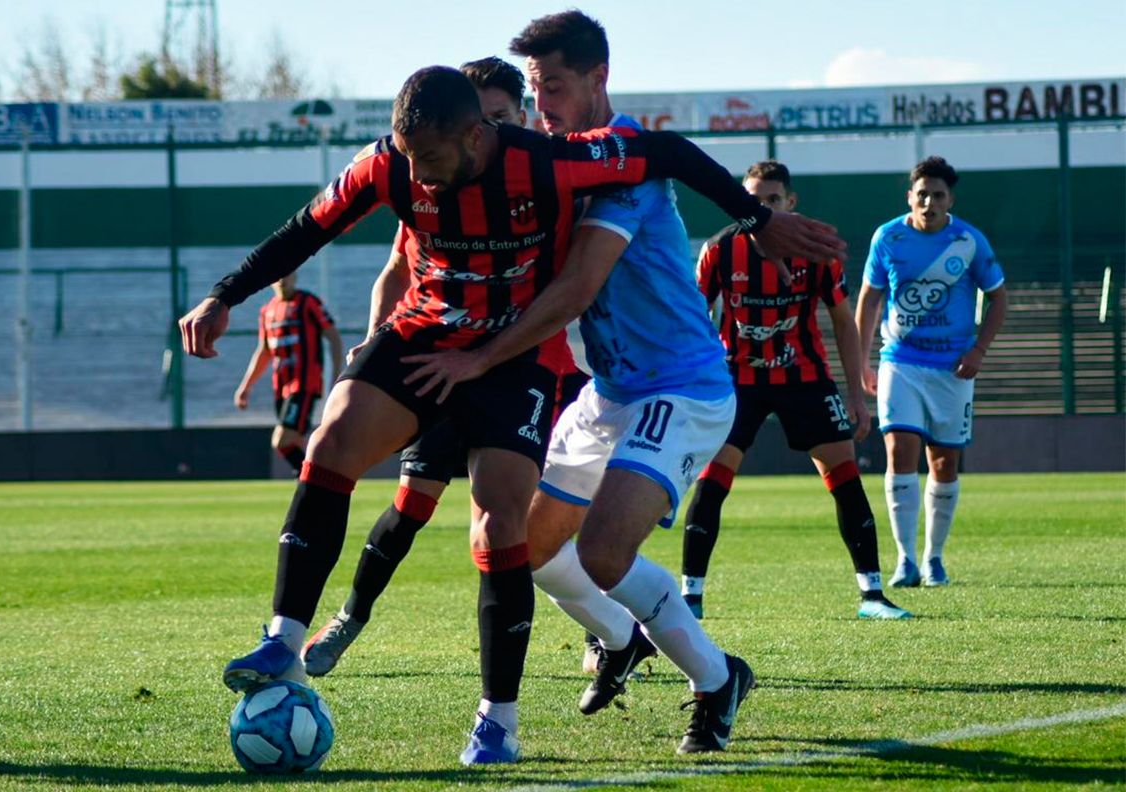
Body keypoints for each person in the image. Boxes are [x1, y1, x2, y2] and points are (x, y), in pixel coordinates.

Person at [179, 64, 842, 767]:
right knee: (333, 439)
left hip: (511, 357)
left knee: (502, 524)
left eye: (432, 158)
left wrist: (759, 221)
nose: (421, 176)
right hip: (429, 334)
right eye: (409, 158)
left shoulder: (547, 163)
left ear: (476, 135)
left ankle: (498, 723)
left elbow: (668, 153)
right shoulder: (389, 166)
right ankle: (284, 639)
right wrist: (226, 296)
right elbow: (304, 231)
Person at [403, 11, 843, 758]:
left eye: (556, 88)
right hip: (610, 392)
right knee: (522, 546)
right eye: (535, 93)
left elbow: (576, 289)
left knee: (604, 549)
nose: (545, 109)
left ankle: (715, 679)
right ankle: (616, 637)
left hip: (685, 387)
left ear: (599, 78)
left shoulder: (624, 171)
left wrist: (477, 362)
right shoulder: (554, 160)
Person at [302, 56, 590, 676]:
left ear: (518, 120)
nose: (489, 128)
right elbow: (399, 269)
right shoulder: (432, 185)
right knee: (412, 502)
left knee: (527, 524)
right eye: (481, 115)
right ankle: (350, 615)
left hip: (536, 370)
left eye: (500, 116)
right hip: (440, 362)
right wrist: (376, 339)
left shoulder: (549, 178)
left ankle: (602, 630)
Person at [679, 160, 910, 622]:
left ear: (791, 202)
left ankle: (873, 595)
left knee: (845, 480)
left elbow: (843, 320)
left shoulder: (816, 249)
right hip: (736, 381)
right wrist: (694, 383)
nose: (763, 208)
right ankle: (691, 599)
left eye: (772, 199)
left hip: (804, 378)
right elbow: (689, 316)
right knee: (711, 485)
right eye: (754, 199)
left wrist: (854, 392)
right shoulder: (720, 250)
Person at [855, 156, 1007, 588]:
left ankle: (934, 559)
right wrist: (863, 361)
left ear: (949, 199)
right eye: (921, 193)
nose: (929, 201)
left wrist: (978, 349)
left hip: (953, 370)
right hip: (900, 361)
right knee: (899, 451)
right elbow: (868, 300)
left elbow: (1000, 300)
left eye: (937, 195)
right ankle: (904, 560)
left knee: (944, 461)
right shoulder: (888, 237)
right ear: (910, 197)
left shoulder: (968, 241)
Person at [233, 273, 343, 473]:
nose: (283, 280)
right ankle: (314, 480)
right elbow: (264, 351)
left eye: (288, 275)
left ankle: (311, 479)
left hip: (304, 385)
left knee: (281, 441)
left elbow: (333, 337)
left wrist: (337, 375)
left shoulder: (308, 302)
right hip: (281, 387)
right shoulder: (267, 310)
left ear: (296, 277)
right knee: (296, 443)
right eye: (278, 276)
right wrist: (245, 386)